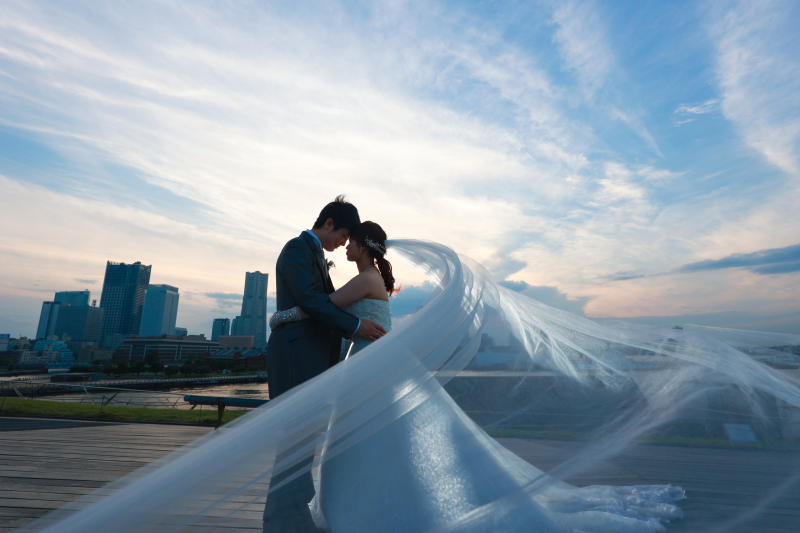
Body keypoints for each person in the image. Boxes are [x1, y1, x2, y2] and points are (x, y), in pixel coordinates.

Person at [263, 197, 386, 533]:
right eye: (343, 236)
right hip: (295, 354)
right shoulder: (297, 249)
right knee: (294, 440)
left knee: (303, 442)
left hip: (312, 355)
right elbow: (313, 302)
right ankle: (280, 522)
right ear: (329, 223)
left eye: (349, 241)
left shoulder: (315, 254)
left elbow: (319, 304)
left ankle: (292, 518)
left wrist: (286, 315)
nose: (343, 244)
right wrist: (357, 327)